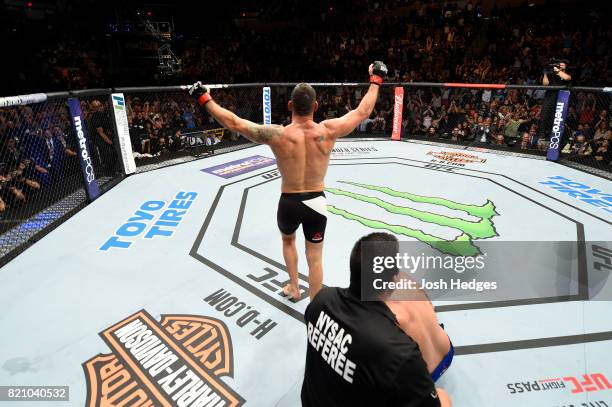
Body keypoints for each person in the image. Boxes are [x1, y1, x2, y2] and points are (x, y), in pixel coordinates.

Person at [189, 61, 388, 301]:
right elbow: (362, 112)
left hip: (289, 202)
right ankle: (315, 307)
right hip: (316, 202)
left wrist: (204, 99)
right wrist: (376, 80)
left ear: (290, 105)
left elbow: (234, 123)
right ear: (315, 106)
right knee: (315, 257)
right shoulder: (327, 130)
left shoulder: (278, 134)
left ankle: (294, 287)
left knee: (288, 241)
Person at [301, 232, 452, 406]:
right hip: (440, 348)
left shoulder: (321, 300)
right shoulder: (397, 349)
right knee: (443, 396)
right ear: (394, 280)